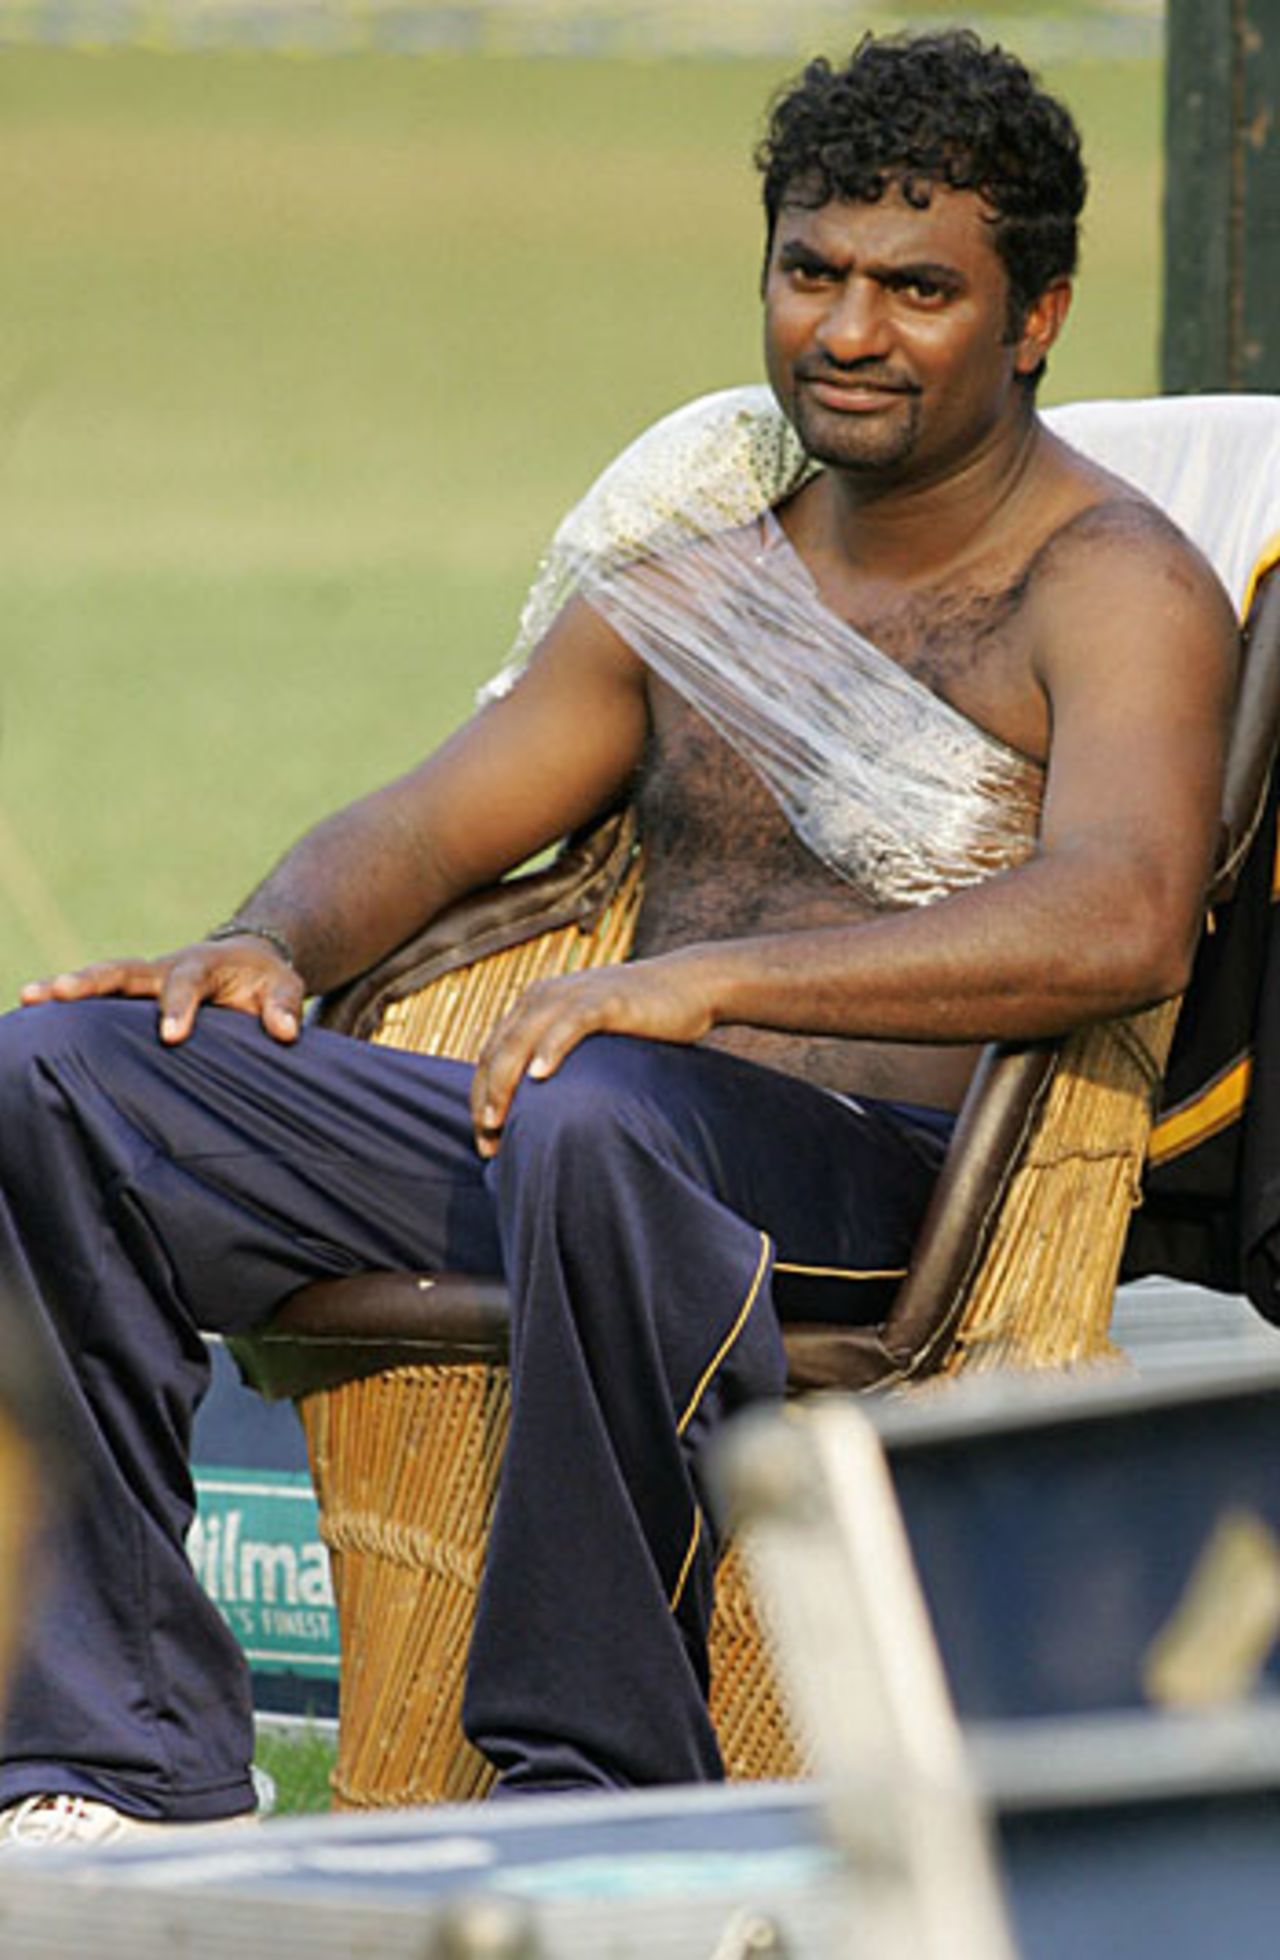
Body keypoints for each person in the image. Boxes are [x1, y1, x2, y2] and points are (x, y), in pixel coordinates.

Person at [0, 28, 1237, 1843]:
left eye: (918, 290)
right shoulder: (704, 577)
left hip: (890, 1190)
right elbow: (432, 821)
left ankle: (592, 1779)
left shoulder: (1110, 584)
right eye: (812, 272)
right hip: (591, 1129)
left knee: (607, 1106)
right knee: (62, 1076)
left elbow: (1122, 919)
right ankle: (122, 1759)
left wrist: (708, 980)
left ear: (1034, 317)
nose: (849, 330)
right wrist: (263, 941)